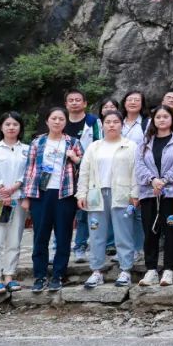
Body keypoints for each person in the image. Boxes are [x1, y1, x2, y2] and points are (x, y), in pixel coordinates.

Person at [76, 111, 140, 288]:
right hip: (96, 195)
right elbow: (84, 172)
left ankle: (125, 270)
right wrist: (81, 194)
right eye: (108, 122)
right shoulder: (94, 147)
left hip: (121, 194)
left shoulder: (130, 146)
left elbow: (136, 171)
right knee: (96, 233)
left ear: (122, 125)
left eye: (116, 122)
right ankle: (96, 271)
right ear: (102, 125)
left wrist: (135, 193)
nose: (112, 125)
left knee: (123, 232)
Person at [22, 107, 83, 292]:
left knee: (63, 236)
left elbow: (84, 167)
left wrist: (75, 158)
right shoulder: (37, 142)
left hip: (65, 194)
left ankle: (58, 275)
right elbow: (29, 169)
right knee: (40, 236)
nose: (57, 122)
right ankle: (40, 276)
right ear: (47, 121)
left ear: (65, 122)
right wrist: (26, 197)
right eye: (54, 118)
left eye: (61, 119)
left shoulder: (73, 142)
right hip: (41, 195)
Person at [134, 105, 173, 287]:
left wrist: (163, 181)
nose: (162, 120)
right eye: (158, 117)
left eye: (165, 116)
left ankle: (169, 269)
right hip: (149, 193)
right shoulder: (144, 144)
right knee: (150, 231)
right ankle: (151, 270)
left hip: (171, 194)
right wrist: (152, 180)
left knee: (171, 231)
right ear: (153, 121)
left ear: (172, 119)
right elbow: (139, 166)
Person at [0, 112, 28, 296]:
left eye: (15, 124)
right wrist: (2, 190)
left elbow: (28, 172)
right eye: (7, 124)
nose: (11, 127)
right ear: (1, 127)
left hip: (17, 200)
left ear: (20, 127)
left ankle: (9, 275)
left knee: (14, 239)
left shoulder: (26, 150)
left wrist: (14, 187)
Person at [63, 89, 101, 264]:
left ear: (85, 103)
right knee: (62, 213)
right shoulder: (60, 121)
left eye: (78, 100)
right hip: (63, 175)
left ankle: (80, 247)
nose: (74, 102)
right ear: (66, 104)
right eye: (71, 100)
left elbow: (99, 145)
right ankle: (58, 247)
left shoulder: (92, 122)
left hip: (86, 173)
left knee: (83, 212)